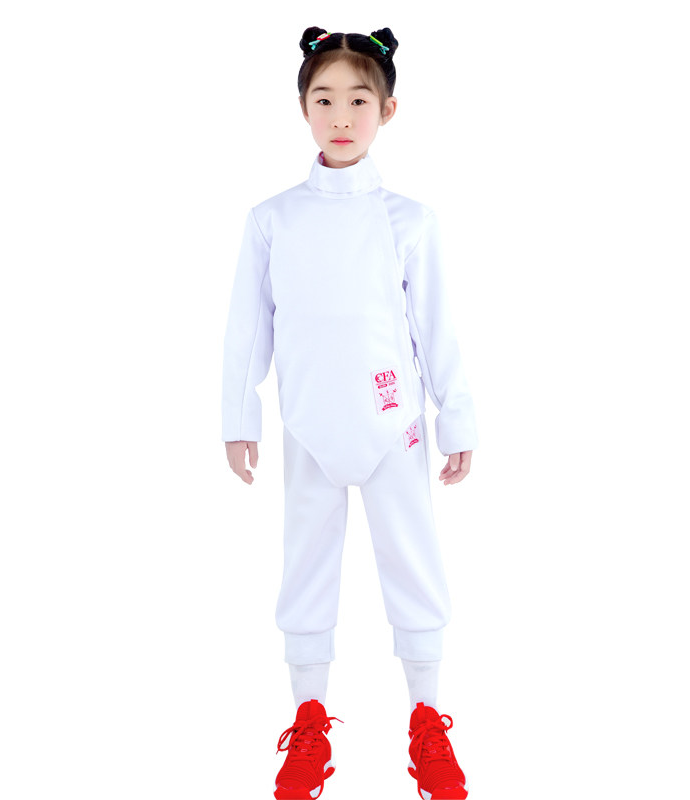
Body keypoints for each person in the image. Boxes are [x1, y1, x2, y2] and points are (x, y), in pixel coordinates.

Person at [222, 26, 478, 800]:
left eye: (358, 100)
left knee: (413, 561)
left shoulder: (410, 221)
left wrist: (457, 418)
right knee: (305, 566)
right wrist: (240, 417)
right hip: (308, 425)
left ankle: (427, 720)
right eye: (324, 99)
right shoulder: (272, 219)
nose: (341, 116)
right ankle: (308, 721)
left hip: (394, 427)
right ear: (302, 108)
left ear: (387, 110)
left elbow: (437, 328)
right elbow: (248, 327)